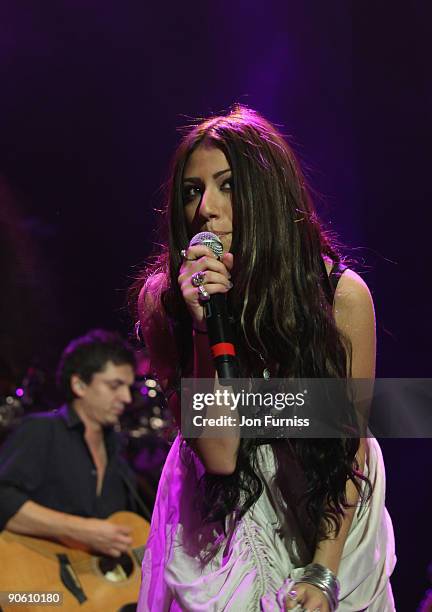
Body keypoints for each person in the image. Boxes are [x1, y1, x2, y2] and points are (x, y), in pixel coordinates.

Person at [133, 106, 396, 611]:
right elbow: (221, 456)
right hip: (220, 514)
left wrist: (323, 571)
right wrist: (207, 327)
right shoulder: (164, 302)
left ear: (267, 195)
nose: (205, 208)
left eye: (227, 185)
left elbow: (348, 446)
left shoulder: (339, 296)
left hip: (328, 502)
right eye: (192, 191)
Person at [0, 329, 140, 558]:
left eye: (128, 387)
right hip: (36, 582)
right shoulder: (42, 430)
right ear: (80, 385)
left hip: (94, 589)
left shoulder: (118, 451)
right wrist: (80, 530)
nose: (127, 398)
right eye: (115, 386)